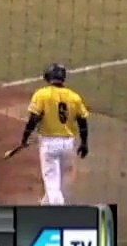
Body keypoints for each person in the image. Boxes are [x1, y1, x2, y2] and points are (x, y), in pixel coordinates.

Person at [19, 63, 90, 205]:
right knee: (58, 182)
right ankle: (45, 204)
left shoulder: (42, 94)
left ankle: (57, 213)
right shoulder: (74, 97)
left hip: (49, 144)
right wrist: (84, 143)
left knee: (52, 182)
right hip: (68, 145)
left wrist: (25, 137)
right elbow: (82, 122)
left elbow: (33, 119)